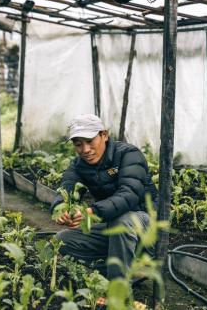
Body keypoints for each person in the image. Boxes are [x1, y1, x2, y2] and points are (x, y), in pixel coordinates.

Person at [51, 113, 158, 280]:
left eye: (90, 141)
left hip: (147, 227)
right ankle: (124, 269)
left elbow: (129, 194)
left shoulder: (128, 155)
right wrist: (61, 211)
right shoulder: (79, 165)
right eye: (78, 144)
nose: (85, 150)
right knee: (62, 240)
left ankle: (118, 289)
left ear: (104, 135)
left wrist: (93, 212)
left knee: (123, 221)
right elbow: (67, 189)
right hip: (114, 227)